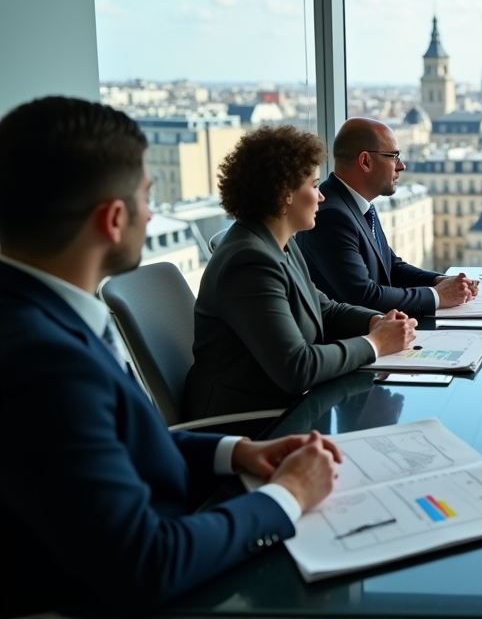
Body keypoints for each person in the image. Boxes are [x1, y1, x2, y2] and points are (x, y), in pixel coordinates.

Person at [0, 97, 343, 616]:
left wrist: (236, 452)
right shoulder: (44, 361)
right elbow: (146, 565)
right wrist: (288, 495)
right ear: (114, 219)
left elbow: (115, 449)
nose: (151, 213)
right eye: (146, 196)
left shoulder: (44, 315)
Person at [185, 125, 417, 421]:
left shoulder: (279, 241)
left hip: (291, 408)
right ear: (286, 194)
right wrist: (376, 343)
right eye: (314, 185)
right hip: (249, 424)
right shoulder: (249, 262)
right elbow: (298, 368)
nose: (322, 197)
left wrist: (376, 321)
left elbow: (325, 309)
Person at [293, 117, 477, 315]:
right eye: (394, 156)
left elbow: (391, 267)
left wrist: (439, 281)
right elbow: (365, 298)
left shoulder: (357, 205)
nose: (401, 166)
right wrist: (438, 295)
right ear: (365, 161)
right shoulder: (331, 216)